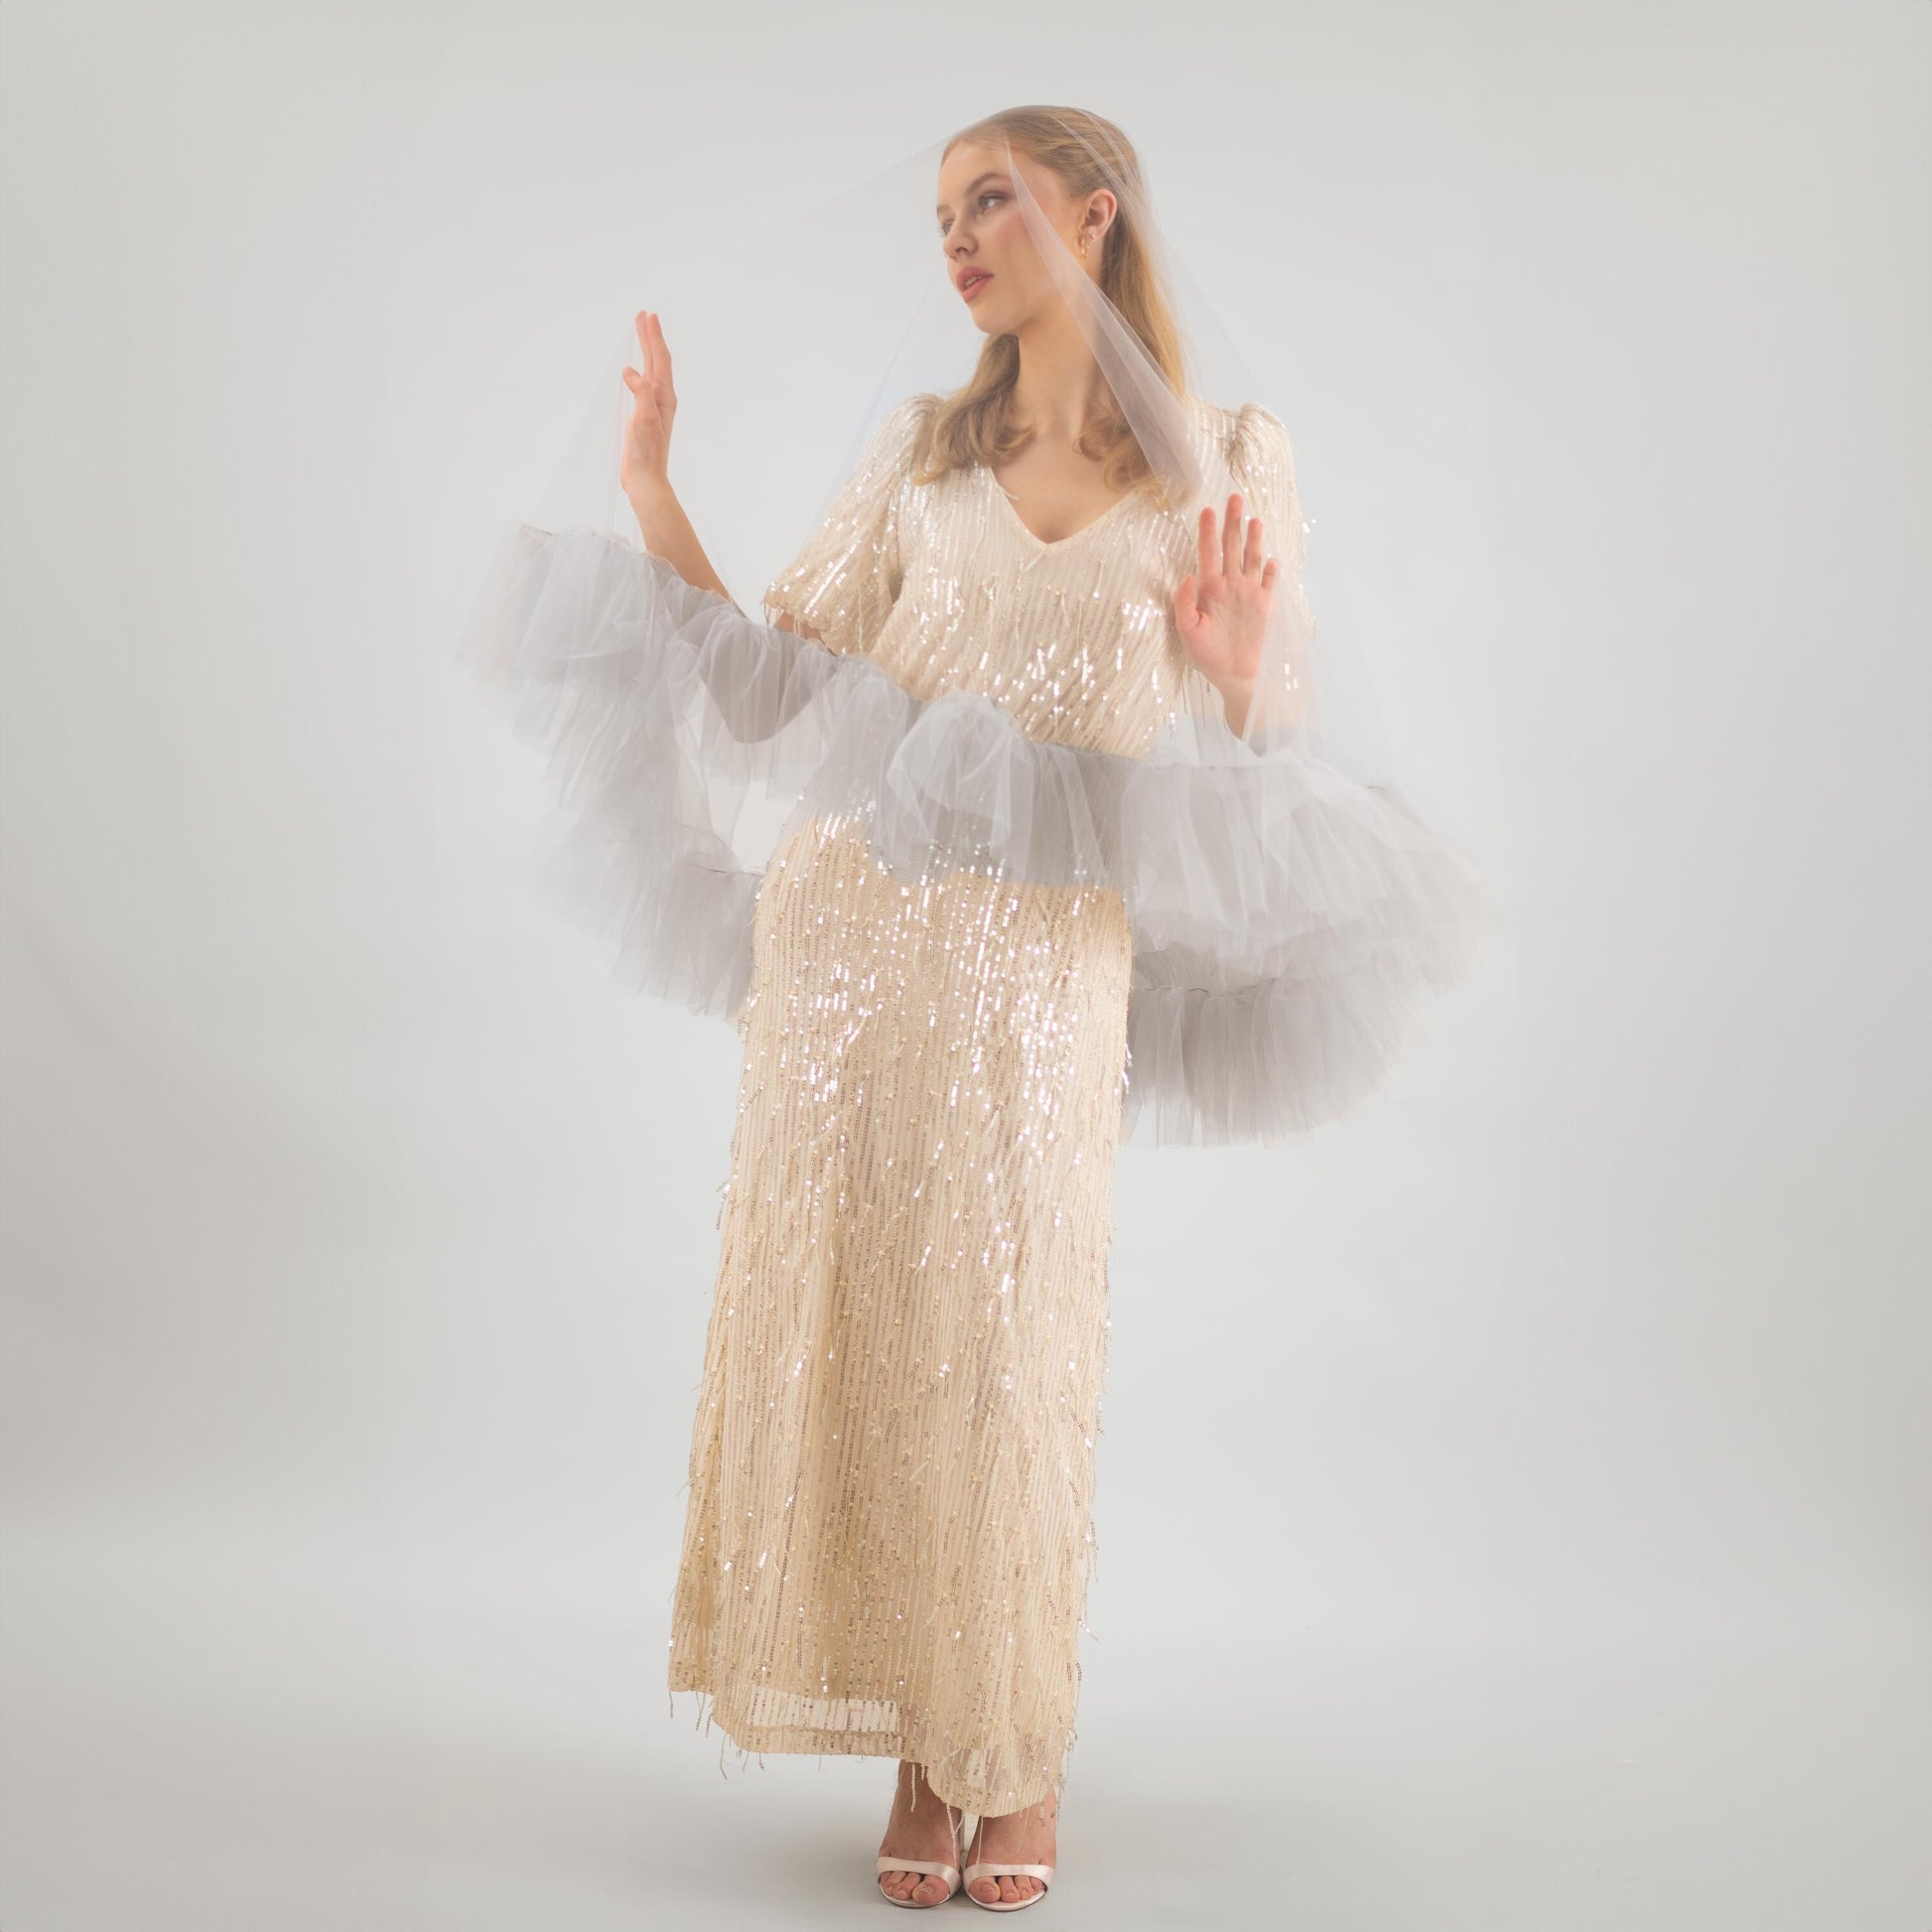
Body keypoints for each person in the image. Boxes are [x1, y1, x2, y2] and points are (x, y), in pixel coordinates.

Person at [460, 104, 1491, 1913]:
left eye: (988, 200)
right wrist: (650, 490)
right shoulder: (917, 456)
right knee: (866, 1332)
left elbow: (1277, 747)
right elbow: (773, 690)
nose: (951, 236)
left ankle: (1007, 1747)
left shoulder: (1223, 457)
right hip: (853, 945)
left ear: (1092, 218)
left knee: (1010, 1346)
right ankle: (913, 1755)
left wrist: (1239, 671)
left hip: (1042, 967)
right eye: (940, 209)